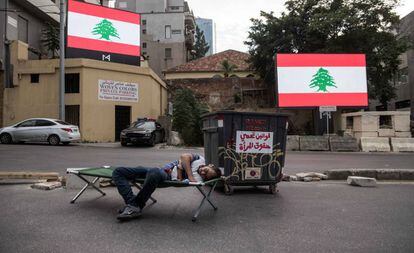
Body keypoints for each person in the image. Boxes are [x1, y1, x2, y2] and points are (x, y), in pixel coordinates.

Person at [112, 153, 221, 221]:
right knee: (118, 172)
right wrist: (189, 174)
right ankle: (133, 204)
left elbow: (179, 180)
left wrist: (181, 169)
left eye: (205, 176)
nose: (202, 173)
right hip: (161, 169)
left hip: (165, 175)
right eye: (206, 171)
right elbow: (184, 156)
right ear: (210, 165)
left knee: (154, 173)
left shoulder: (199, 180)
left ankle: (133, 207)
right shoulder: (199, 159)